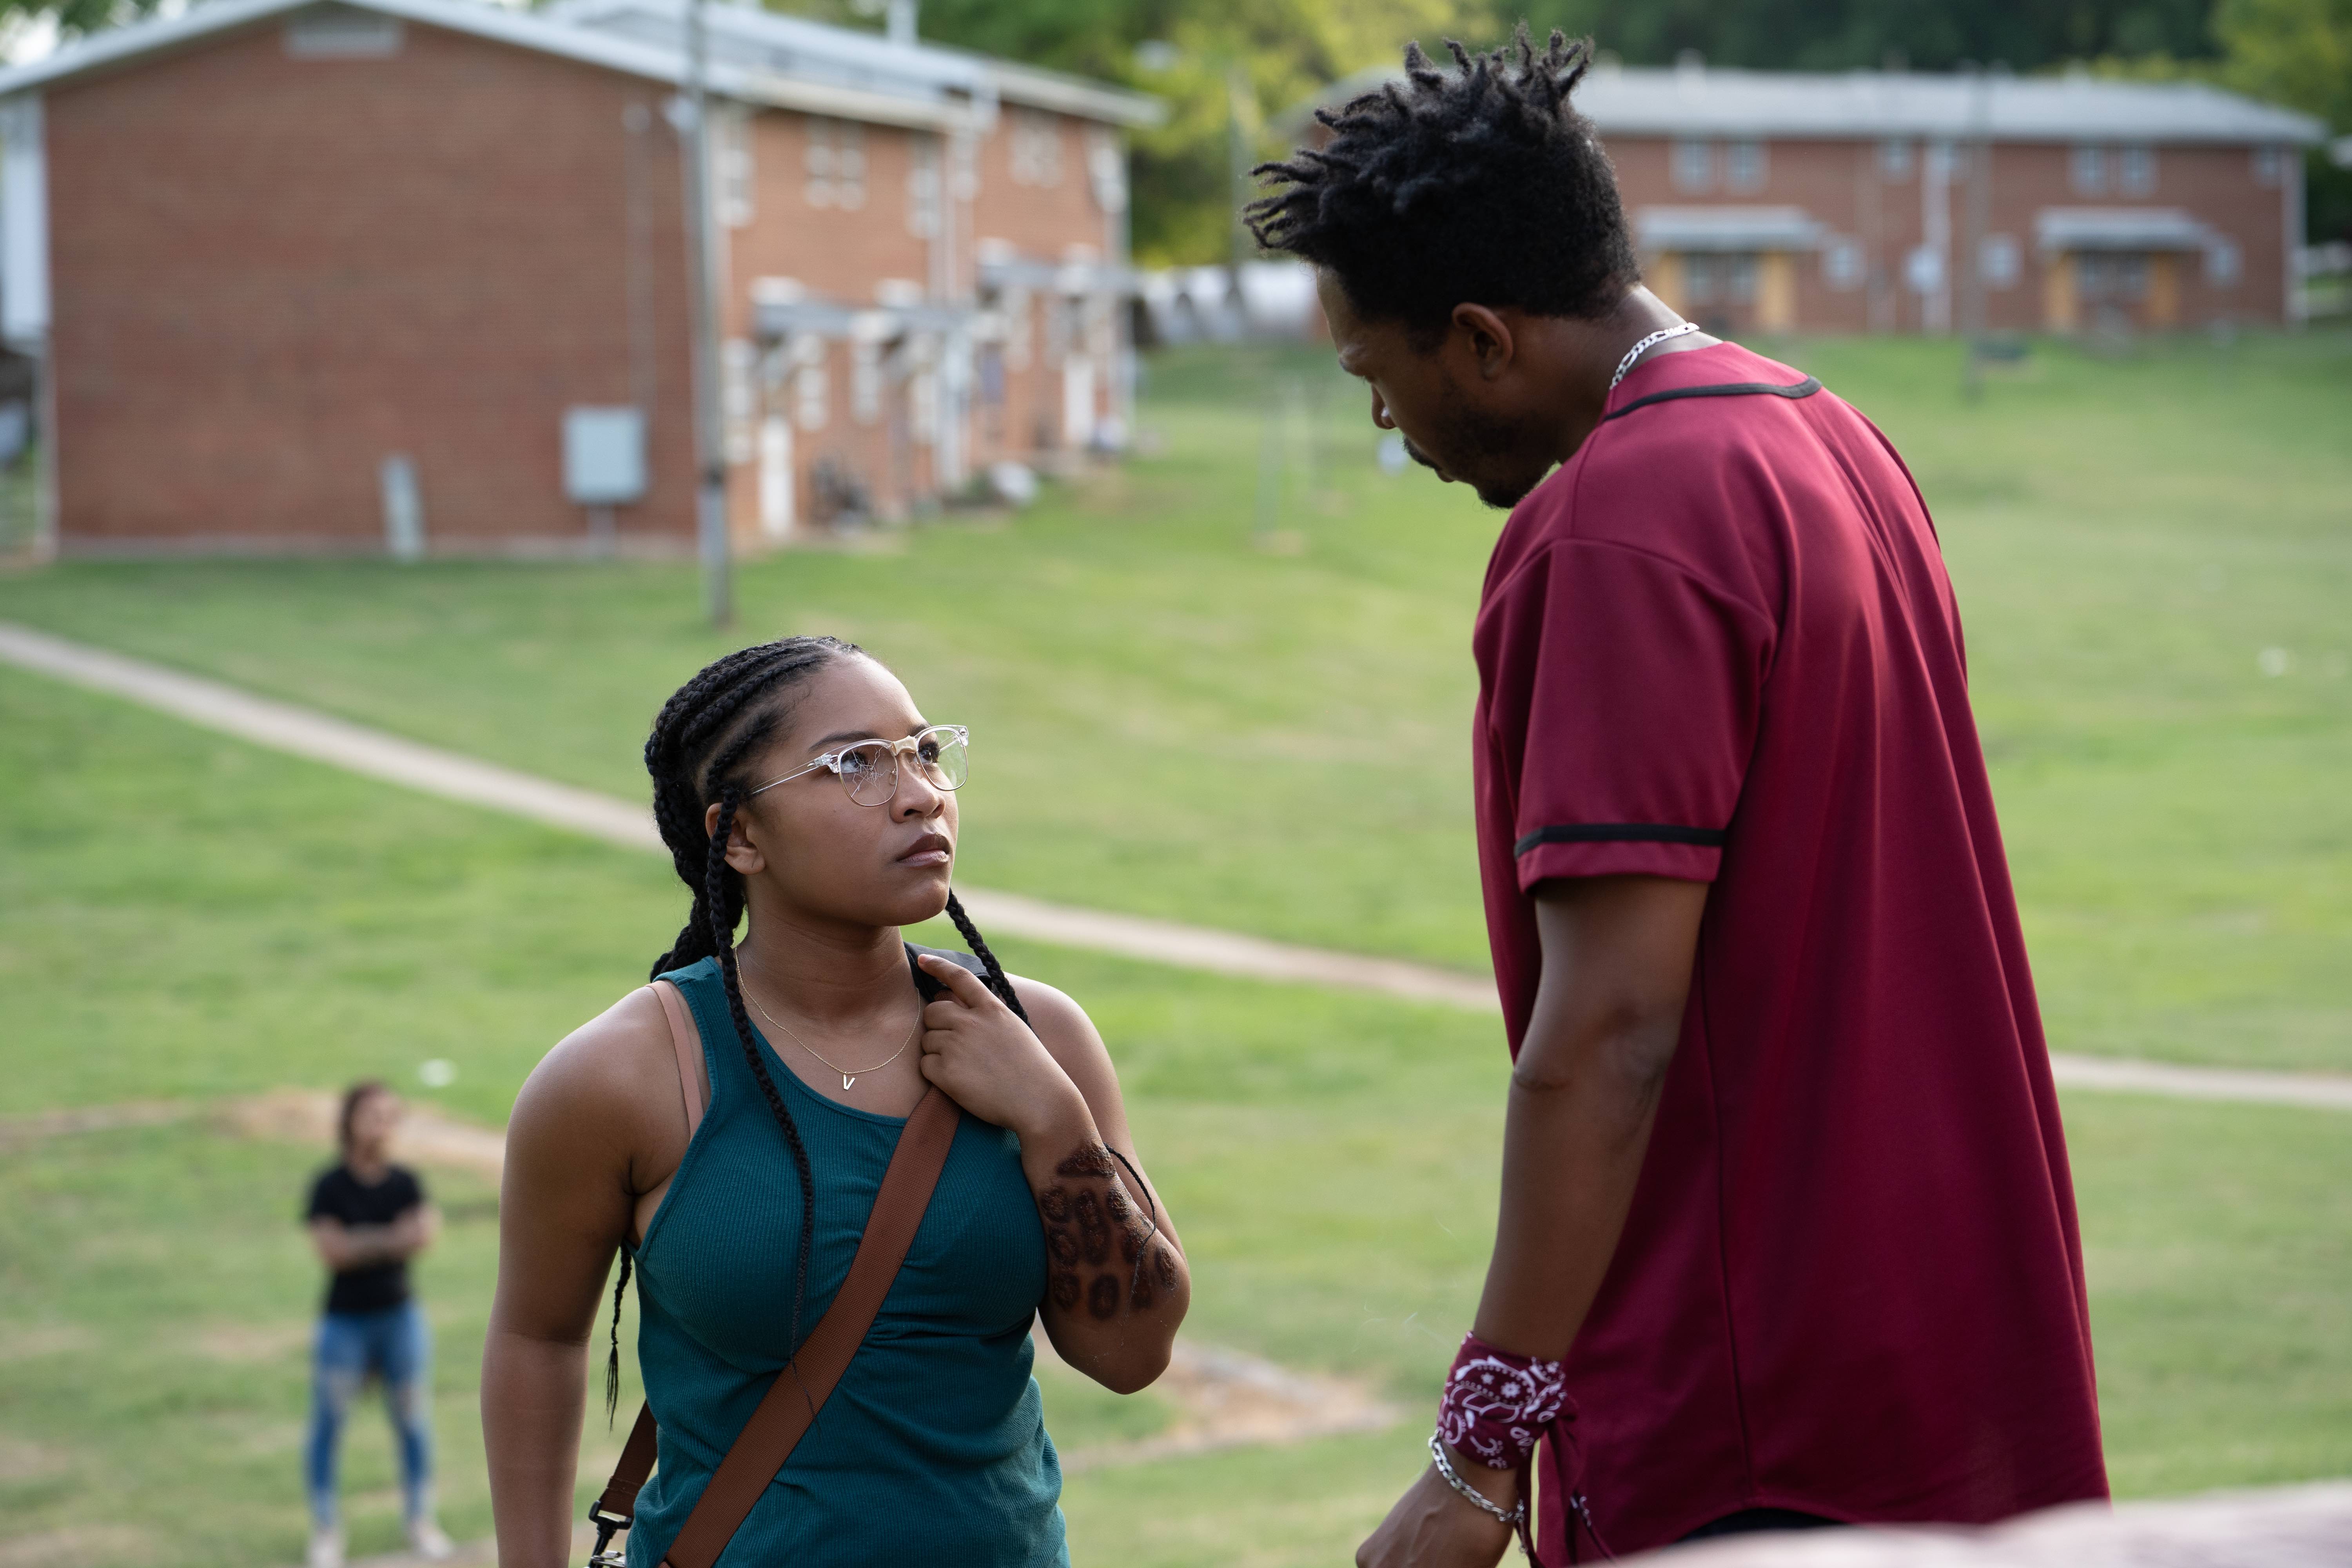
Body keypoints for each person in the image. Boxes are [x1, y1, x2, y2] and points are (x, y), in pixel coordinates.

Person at [1247, 29, 2108, 1566]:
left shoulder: (1621, 521)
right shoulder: (1829, 436)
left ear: (1482, 338)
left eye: (1384, 383)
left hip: (1754, 1406)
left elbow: (1611, 1029)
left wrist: (1476, 1452)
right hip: (1939, 1350)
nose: (1397, 430)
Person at [482, 637, 1189, 1567]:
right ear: (738, 836)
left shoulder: (1038, 1037)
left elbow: (1132, 1356)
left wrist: (1052, 1118)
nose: (918, 792)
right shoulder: (623, 1076)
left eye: (925, 751)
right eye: (854, 762)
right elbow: (536, 1338)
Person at [303, 1080, 452, 1568]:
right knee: (329, 1424)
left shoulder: (406, 1181)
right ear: (349, 1120)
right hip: (343, 1323)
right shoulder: (329, 1186)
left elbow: (424, 1236)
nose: (383, 1125)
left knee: (413, 1421)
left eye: (391, 1115)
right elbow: (334, 1252)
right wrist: (392, 1238)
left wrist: (361, 1242)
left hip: (399, 1316)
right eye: (373, 1114)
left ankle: (420, 1522)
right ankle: (326, 1529)